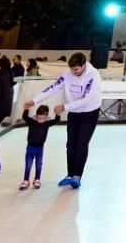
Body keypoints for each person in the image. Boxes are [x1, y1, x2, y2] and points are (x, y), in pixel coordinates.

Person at [34, 52, 103, 189]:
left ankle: (77, 176)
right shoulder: (68, 74)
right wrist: (34, 100)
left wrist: (65, 107)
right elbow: (53, 87)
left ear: (83, 66)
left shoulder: (93, 75)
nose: (73, 72)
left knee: (81, 144)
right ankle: (70, 174)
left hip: (89, 113)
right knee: (70, 144)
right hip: (74, 113)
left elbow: (87, 99)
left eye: (76, 69)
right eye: (71, 69)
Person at [18, 102, 62, 190]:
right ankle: (26, 180)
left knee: (38, 165)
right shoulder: (32, 121)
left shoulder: (46, 123)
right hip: (30, 147)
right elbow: (25, 117)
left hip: (39, 149)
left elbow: (56, 121)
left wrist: (57, 114)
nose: (40, 120)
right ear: (36, 115)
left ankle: (37, 179)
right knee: (28, 165)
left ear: (46, 117)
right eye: (39, 117)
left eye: (43, 118)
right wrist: (26, 109)